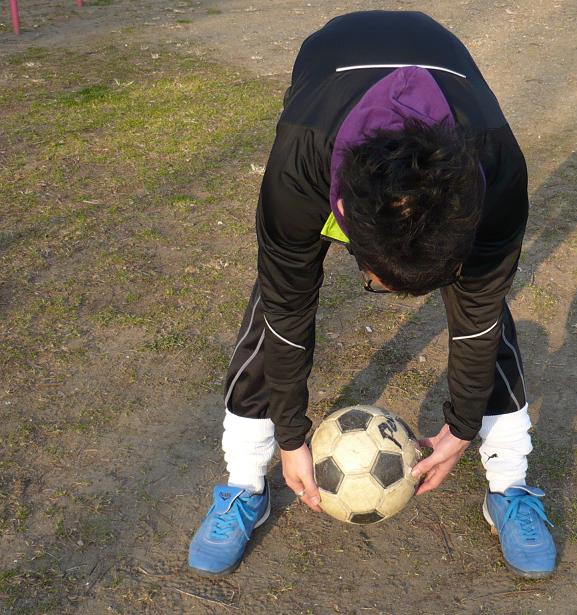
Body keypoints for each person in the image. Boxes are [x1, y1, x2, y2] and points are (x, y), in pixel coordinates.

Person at [187, 10, 556, 579]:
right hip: (330, 80)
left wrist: (461, 426)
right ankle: (244, 483)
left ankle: (510, 485)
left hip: (460, 115)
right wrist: (291, 436)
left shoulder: (498, 168)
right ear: (343, 223)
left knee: (484, 307)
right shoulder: (298, 170)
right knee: (277, 300)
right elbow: (288, 309)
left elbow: (478, 310)